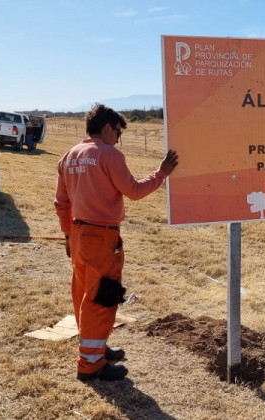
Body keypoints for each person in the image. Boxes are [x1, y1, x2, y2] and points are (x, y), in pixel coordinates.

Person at [54, 104, 179, 381]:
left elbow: (61, 203)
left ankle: (96, 347)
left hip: (78, 234)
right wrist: (161, 174)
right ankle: (90, 364)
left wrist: (66, 235)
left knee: (84, 292)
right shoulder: (109, 155)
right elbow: (134, 191)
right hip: (102, 237)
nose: (118, 139)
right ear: (108, 128)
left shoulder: (69, 156)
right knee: (101, 297)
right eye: (118, 133)